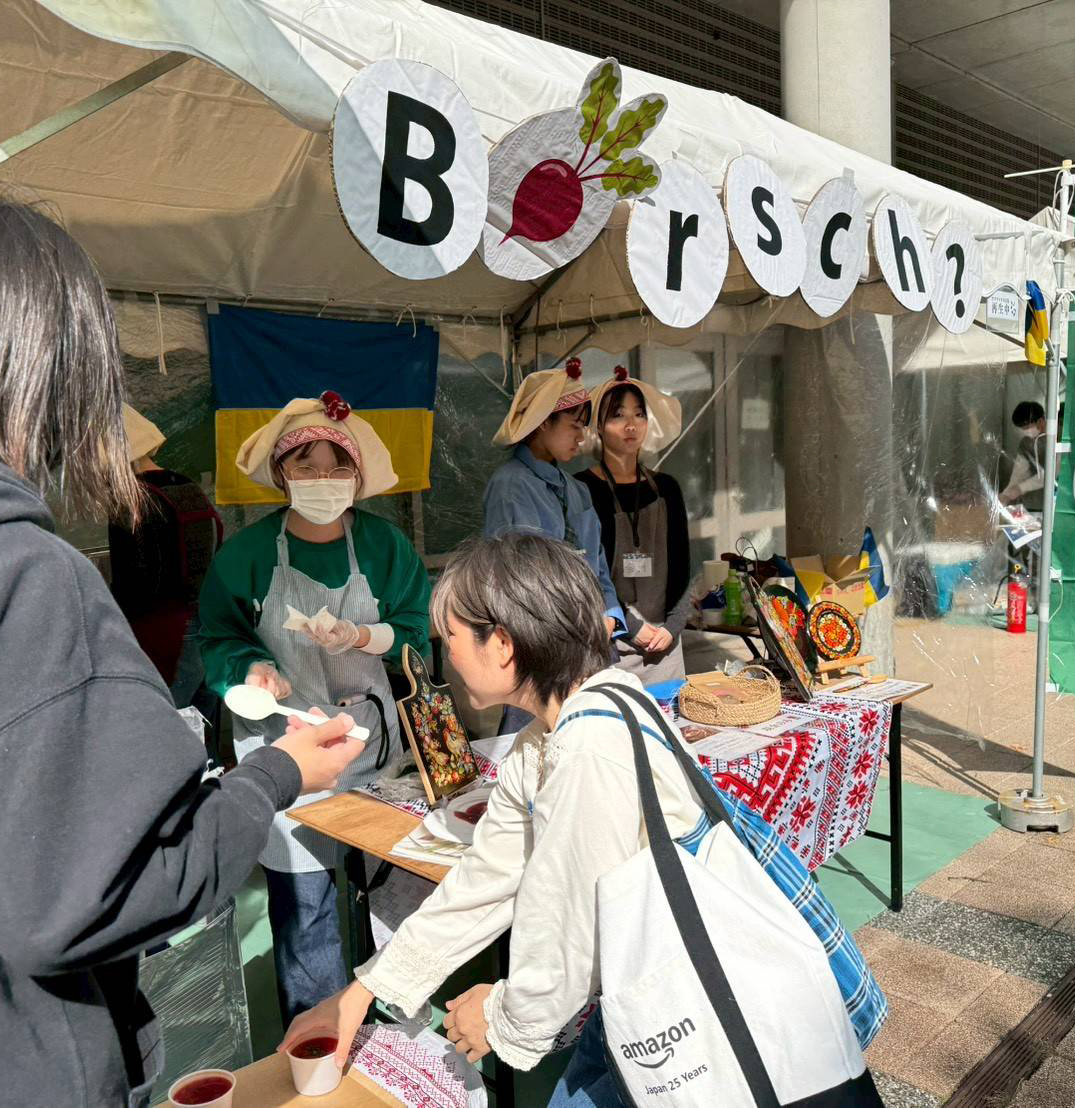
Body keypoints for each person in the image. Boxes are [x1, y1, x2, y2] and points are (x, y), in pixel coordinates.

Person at [0, 198, 365, 1106]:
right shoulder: (20, 574)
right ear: (59, 372)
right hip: (9, 1068)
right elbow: (89, 893)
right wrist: (273, 772)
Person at [277, 533, 886, 1107]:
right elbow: (487, 877)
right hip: (650, 985)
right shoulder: (566, 726)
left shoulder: (587, 748)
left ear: (503, 644)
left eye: (453, 635)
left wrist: (503, 1017)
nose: (448, 653)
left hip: (694, 1005)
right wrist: (363, 992)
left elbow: (566, 920)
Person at [198, 389, 431, 1024]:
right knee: (306, 908)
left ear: (358, 475)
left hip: (370, 746)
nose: (323, 479)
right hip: (288, 750)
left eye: (337, 466)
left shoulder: (384, 547)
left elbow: (417, 629)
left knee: (389, 894)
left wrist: (365, 636)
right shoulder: (247, 555)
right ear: (281, 474)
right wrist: (252, 668)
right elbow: (218, 636)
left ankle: (393, 1032)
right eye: (307, 465)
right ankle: (318, 1039)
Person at [483, 357, 624, 730]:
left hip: (592, 645)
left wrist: (611, 615)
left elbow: (597, 566)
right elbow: (515, 583)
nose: (581, 437)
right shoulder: (510, 486)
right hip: (542, 652)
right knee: (538, 750)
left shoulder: (577, 490)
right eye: (574, 425)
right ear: (543, 422)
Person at [109, 405, 225, 732]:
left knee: (163, 729)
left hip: (163, 632)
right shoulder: (187, 484)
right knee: (202, 727)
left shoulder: (133, 500)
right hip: (206, 624)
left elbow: (131, 583)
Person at [576, 366, 695, 683]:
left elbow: (682, 568)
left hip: (665, 647)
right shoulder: (582, 489)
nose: (631, 425)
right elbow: (585, 575)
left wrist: (673, 627)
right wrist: (630, 626)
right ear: (598, 426)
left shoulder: (667, 488)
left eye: (639, 414)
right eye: (618, 415)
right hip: (609, 645)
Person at [1000, 400, 1047, 510]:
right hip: (1035, 503)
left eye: (1027, 427)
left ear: (1040, 421)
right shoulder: (1026, 443)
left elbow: (1053, 474)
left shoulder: (1057, 440)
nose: (1025, 431)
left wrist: (1021, 488)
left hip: (1057, 499)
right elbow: (1020, 471)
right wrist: (1006, 494)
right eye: (1022, 429)